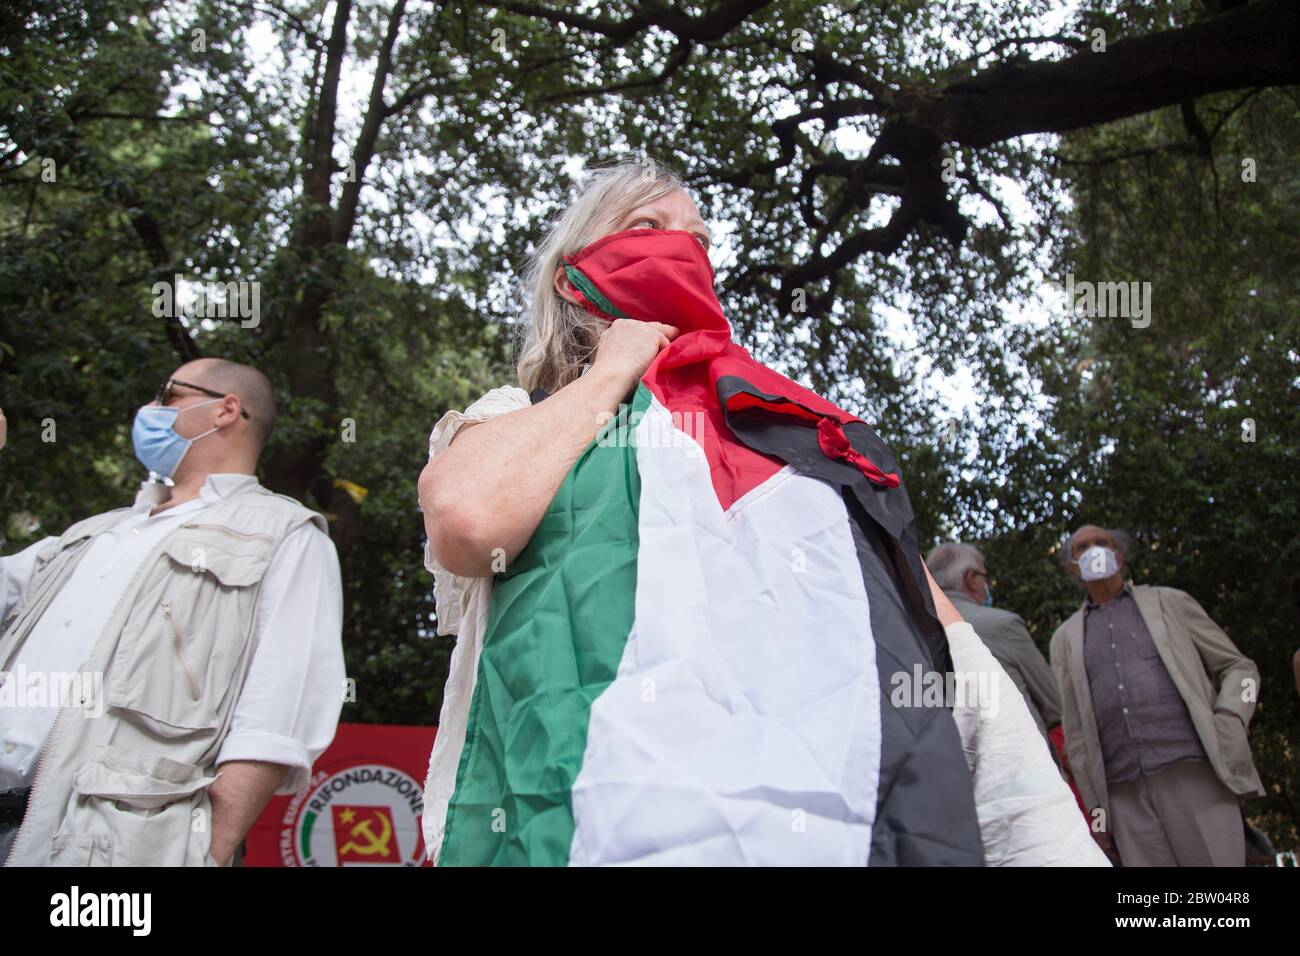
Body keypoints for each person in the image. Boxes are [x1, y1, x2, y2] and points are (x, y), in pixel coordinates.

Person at [418, 159, 1106, 866]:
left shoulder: (802, 439)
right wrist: (611, 373)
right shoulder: (517, 420)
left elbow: (950, 653)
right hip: (585, 816)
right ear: (573, 274)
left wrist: (1046, 840)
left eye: (699, 238)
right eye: (647, 227)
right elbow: (470, 522)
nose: (681, 247)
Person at [0, 358, 345, 866]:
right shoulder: (89, 534)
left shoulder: (286, 534)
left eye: (167, 395)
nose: (148, 410)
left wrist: (205, 852)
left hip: (103, 850)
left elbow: (275, 719)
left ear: (227, 410)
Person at [1049, 524, 1264, 866]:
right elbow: (1075, 739)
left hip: (1194, 774)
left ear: (1119, 557)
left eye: (1102, 543)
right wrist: (1098, 818)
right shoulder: (1064, 639)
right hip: (1122, 797)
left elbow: (1242, 668)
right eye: (1082, 547)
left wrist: (1233, 715)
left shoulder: (1170, 603)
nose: (1093, 550)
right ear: (1072, 567)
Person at [926, 542, 1062, 752]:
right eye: (984, 576)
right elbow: (1054, 703)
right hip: (1018, 764)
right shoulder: (1003, 624)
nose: (987, 584)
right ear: (971, 578)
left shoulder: (909, 633)